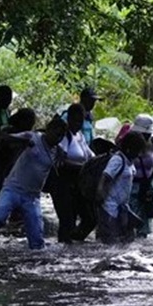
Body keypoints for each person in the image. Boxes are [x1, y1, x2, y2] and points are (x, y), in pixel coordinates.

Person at [0, 114, 66, 252]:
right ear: (49, 129)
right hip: (12, 189)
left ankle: (35, 265)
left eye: (61, 136)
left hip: (32, 197)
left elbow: (61, 163)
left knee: (37, 240)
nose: (58, 139)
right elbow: (5, 138)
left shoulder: (57, 151)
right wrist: (20, 142)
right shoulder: (32, 137)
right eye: (57, 134)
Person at [48, 103, 94, 242]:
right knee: (67, 221)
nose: (78, 124)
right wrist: (83, 167)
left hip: (78, 184)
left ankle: (74, 245)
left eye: (80, 121)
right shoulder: (64, 136)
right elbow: (59, 161)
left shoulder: (79, 135)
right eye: (75, 120)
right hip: (62, 184)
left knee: (90, 219)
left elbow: (90, 155)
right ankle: (64, 252)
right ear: (68, 119)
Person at [96, 131, 147, 244]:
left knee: (127, 240)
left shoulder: (129, 162)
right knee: (110, 244)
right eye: (137, 150)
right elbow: (105, 176)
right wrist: (100, 193)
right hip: (110, 208)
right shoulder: (118, 159)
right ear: (129, 148)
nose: (139, 154)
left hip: (123, 207)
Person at [0, 108, 36, 209]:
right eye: (30, 121)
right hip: (0, 173)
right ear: (21, 121)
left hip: (17, 177)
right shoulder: (7, 135)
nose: (31, 124)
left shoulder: (31, 137)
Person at [115, 114, 153, 236]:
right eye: (145, 134)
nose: (147, 136)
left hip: (147, 189)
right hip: (130, 189)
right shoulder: (127, 144)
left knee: (144, 227)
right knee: (130, 226)